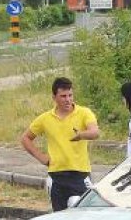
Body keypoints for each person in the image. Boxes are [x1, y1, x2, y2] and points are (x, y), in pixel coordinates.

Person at [21, 77, 100, 211]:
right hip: (57, 175)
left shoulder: (84, 113)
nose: (68, 99)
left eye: (70, 95)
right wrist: (41, 157)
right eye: (63, 96)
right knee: (59, 216)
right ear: (54, 97)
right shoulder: (45, 118)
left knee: (82, 213)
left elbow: (95, 132)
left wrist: (82, 134)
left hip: (79, 174)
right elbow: (25, 138)